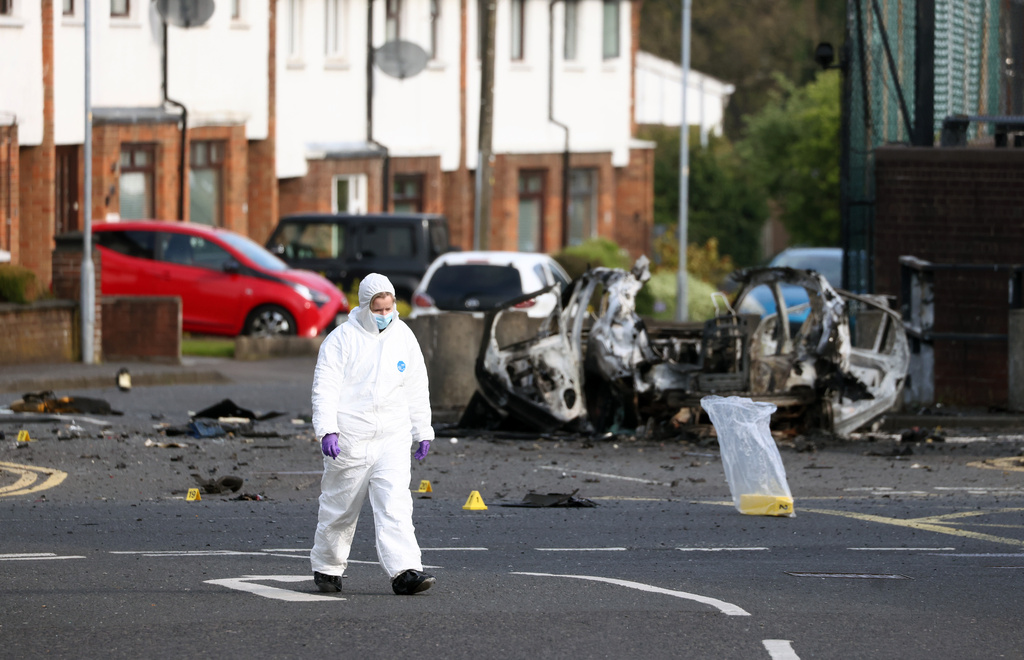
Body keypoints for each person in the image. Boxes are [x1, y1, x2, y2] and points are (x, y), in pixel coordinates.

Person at [310, 273, 436, 596]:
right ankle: (327, 567)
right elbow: (325, 388)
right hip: (350, 440)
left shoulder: (404, 338)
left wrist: (422, 430)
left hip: (392, 438)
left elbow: (416, 387)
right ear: (364, 307)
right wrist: (327, 430)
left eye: (389, 307)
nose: (384, 315)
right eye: (378, 309)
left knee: (395, 504)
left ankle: (406, 570)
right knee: (340, 506)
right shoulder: (341, 340)